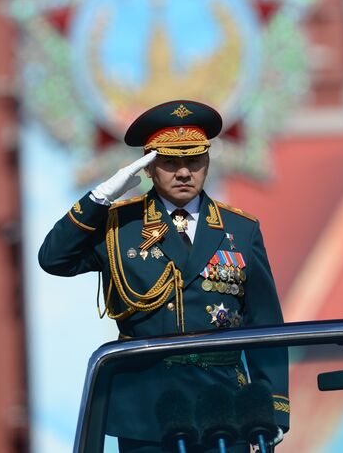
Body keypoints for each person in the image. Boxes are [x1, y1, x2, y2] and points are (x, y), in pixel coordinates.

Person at [39, 99, 289, 452]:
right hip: (147, 411)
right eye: (170, 162)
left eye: (194, 160)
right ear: (150, 167)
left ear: (207, 162)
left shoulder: (240, 229)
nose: (184, 172)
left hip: (224, 406)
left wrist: (273, 409)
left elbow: (265, 325)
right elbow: (53, 258)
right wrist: (101, 197)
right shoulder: (119, 226)